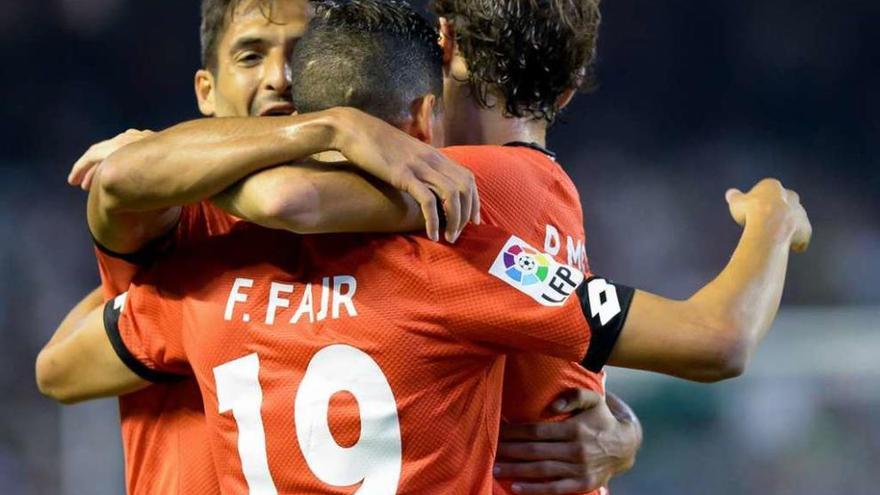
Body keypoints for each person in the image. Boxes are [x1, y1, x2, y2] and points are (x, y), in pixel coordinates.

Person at [40, 0, 643, 493]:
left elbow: (547, 332)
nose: (281, 76)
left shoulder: (402, 217)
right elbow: (58, 368)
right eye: (251, 54)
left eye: (302, 53)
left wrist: (616, 428)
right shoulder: (180, 222)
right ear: (206, 89)